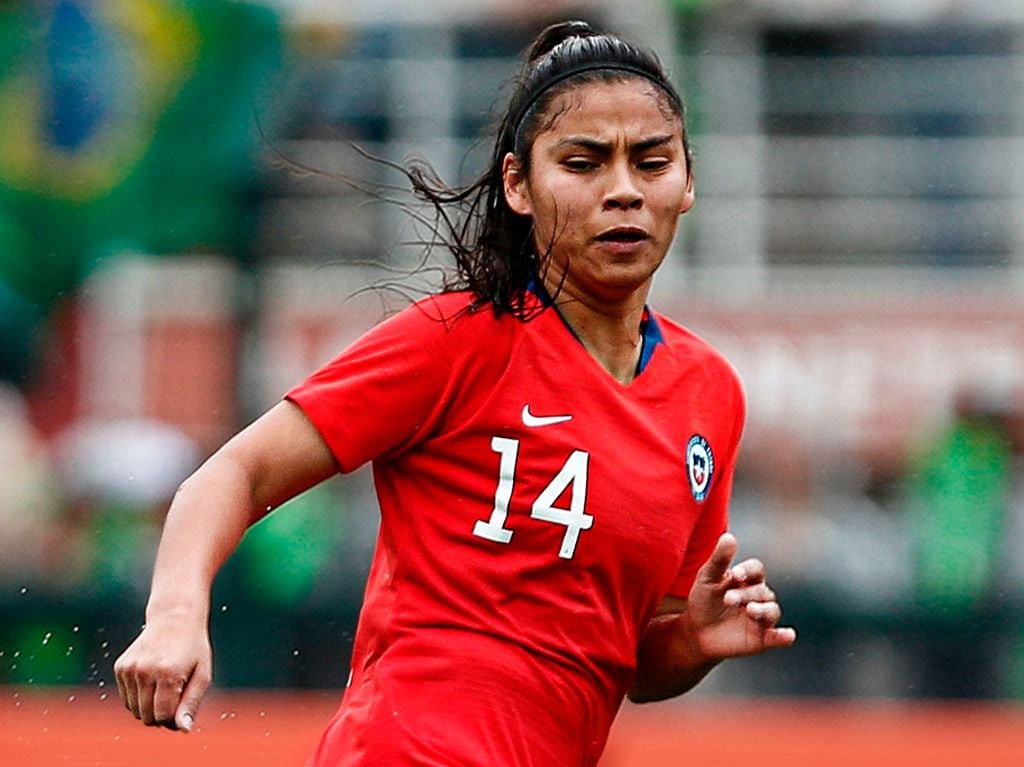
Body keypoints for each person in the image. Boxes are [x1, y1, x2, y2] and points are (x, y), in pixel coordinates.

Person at [114, 20, 796, 765]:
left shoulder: (709, 395)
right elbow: (232, 474)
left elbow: (636, 659)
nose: (624, 190)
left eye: (652, 161)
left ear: (688, 182)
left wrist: (693, 642)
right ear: (517, 184)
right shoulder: (457, 340)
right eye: (584, 162)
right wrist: (175, 615)